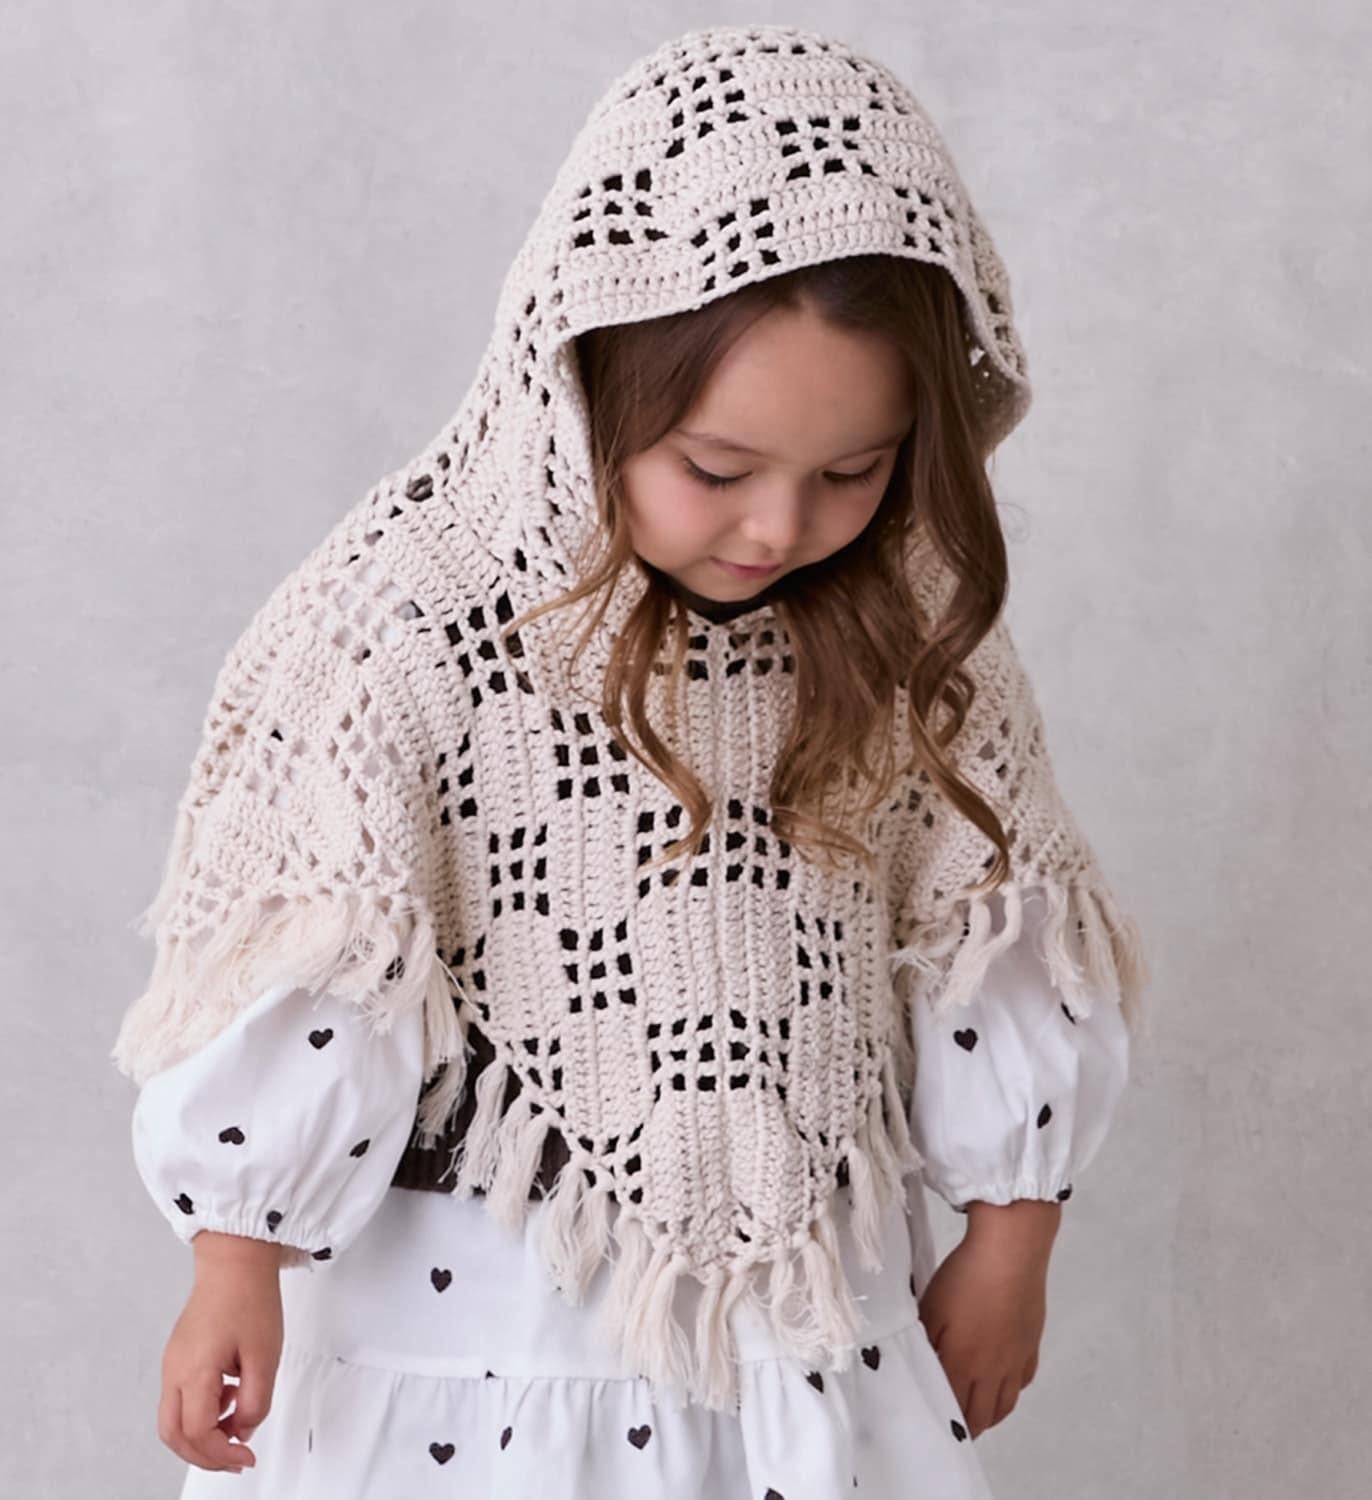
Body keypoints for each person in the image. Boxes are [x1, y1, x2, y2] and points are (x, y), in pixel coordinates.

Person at [111, 22, 1152, 1498]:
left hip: (806, 1347)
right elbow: (324, 956)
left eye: (852, 471)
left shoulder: (911, 630)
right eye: (717, 469)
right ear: (585, 376)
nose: (778, 527)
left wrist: (1014, 1229)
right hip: (467, 1349)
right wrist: (238, 1253)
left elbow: (989, 933)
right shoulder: (408, 619)